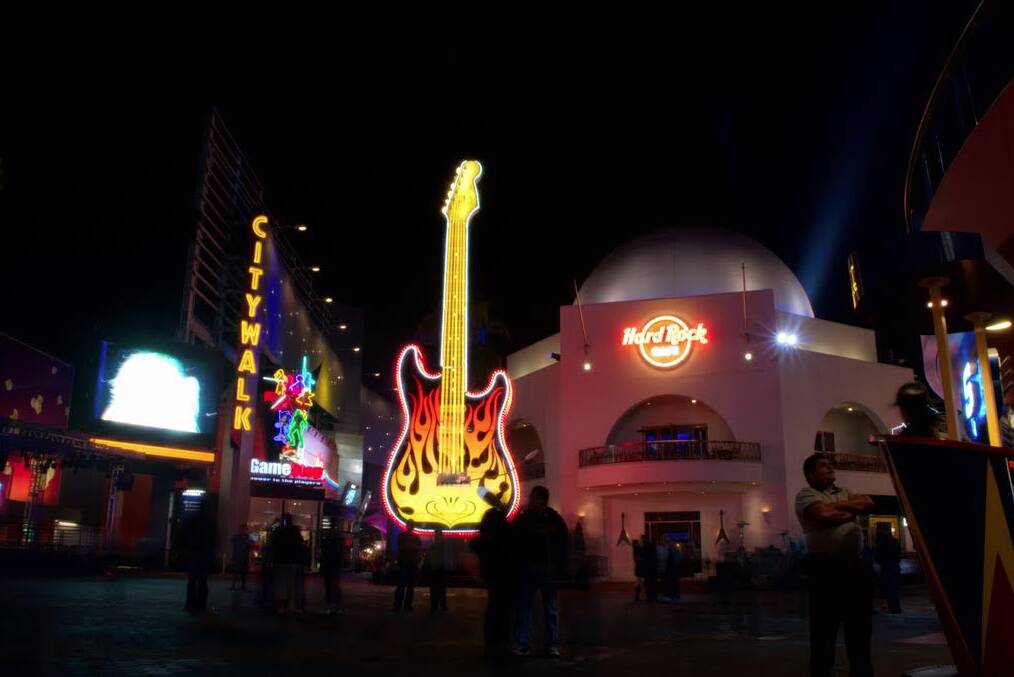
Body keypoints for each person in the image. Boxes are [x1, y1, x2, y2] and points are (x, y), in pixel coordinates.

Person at [796, 452, 875, 677]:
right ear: (810, 474)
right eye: (823, 466)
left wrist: (836, 510)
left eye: (831, 465)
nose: (830, 468)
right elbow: (822, 514)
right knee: (824, 630)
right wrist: (850, 511)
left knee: (859, 628)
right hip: (825, 569)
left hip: (854, 567)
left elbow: (868, 502)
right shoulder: (805, 495)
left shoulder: (845, 491)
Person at [513, 485, 568, 658]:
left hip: (544, 568)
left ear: (542, 500)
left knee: (544, 608)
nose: (530, 500)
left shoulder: (550, 518)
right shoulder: (537, 518)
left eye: (533, 497)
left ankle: (546, 644)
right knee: (528, 607)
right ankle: (529, 644)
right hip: (532, 568)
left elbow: (563, 543)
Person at [472, 490, 515, 660]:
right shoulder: (504, 530)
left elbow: (477, 545)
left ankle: (491, 644)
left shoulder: (486, 534)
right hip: (504, 574)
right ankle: (501, 644)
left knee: (494, 608)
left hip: (492, 574)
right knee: (503, 610)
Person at [182, 500, 217, 613]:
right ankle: (201, 605)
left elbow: (185, 535)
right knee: (203, 581)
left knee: (192, 581)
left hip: (194, 553)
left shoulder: (193, 518)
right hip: (205, 555)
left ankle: (190, 604)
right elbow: (214, 539)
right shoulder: (211, 522)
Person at [269, 513, 303, 615]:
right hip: (291, 561)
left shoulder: (278, 531)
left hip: (279, 560)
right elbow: (300, 543)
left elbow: (272, 543)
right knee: (291, 584)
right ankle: (290, 606)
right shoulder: (294, 531)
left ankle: (280, 607)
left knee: (280, 584)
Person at [874, 523, 903, 614]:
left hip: (887, 567)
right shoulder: (894, 541)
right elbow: (899, 554)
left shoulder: (881, 542)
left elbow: (878, 556)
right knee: (894, 588)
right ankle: (895, 607)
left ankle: (892, 607)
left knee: (888, 588)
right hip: (894, 566)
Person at [393, 519, 422, 612]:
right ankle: (405, 605)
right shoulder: (415, 537)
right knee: (408, 586)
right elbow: (418, 550)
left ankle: (399, 605)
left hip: (406, 563)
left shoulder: (402, 536)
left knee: (403, 585)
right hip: (410, 563)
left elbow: (400, 547)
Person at [425, 526, 450, 614]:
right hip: (439, 569)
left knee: (434, 589)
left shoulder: (433, 546)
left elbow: (428, 557)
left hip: (435, 569)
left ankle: (434, 606)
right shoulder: (443, 546)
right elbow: (446, 557)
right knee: (441, 589)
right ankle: (441, 605)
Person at [320, 529, 345, 614]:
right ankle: (337, 606)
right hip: (335, 567)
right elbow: (341, 555)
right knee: (336, 587)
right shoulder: (339, 543)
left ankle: (328, 606)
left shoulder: (326, 543)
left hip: (328, 566)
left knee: (328, 587)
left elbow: (323, 555)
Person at [230, 524, 252, 592]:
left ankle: (240, 585)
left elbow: (249, 546)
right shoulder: (240, 537)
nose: (242, 531)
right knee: (238, 572)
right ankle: (237, 585)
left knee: (242, 573)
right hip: (240, 557)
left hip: (242, 557)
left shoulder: (245, 537)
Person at [641, 533, 659, 603]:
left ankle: (650, 598)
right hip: (653, 568)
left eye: (642, 539)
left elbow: (644, 556)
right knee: (653, 583)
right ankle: (654, 597)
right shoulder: (652, 545)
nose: (641, 540)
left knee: (648, 584)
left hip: (648, 568)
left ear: (644, 539)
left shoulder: (646, 546)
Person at [632, 537, 646, 601]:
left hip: (638, 567)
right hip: (640, 567)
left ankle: (637, 596)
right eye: (638, 542)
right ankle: (637, 596)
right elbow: (638, 558)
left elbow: (636, 558)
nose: (640, 543)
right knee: (639, 581)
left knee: (639, 581)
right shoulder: (637, 549)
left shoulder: (635, 549)